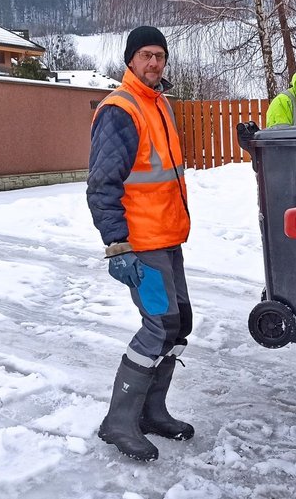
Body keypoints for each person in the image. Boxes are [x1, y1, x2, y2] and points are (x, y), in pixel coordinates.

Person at [86, 25, 193, 462]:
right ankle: (118, 421)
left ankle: (151, 412)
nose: (154, 63)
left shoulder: (159, 103)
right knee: (159, 326)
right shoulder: (121, 110)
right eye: (147, 55)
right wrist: (118, 244)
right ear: (131, 59)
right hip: (141, 243)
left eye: (160, 56)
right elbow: (102, 185)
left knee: (179, 324)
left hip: (168, 239)